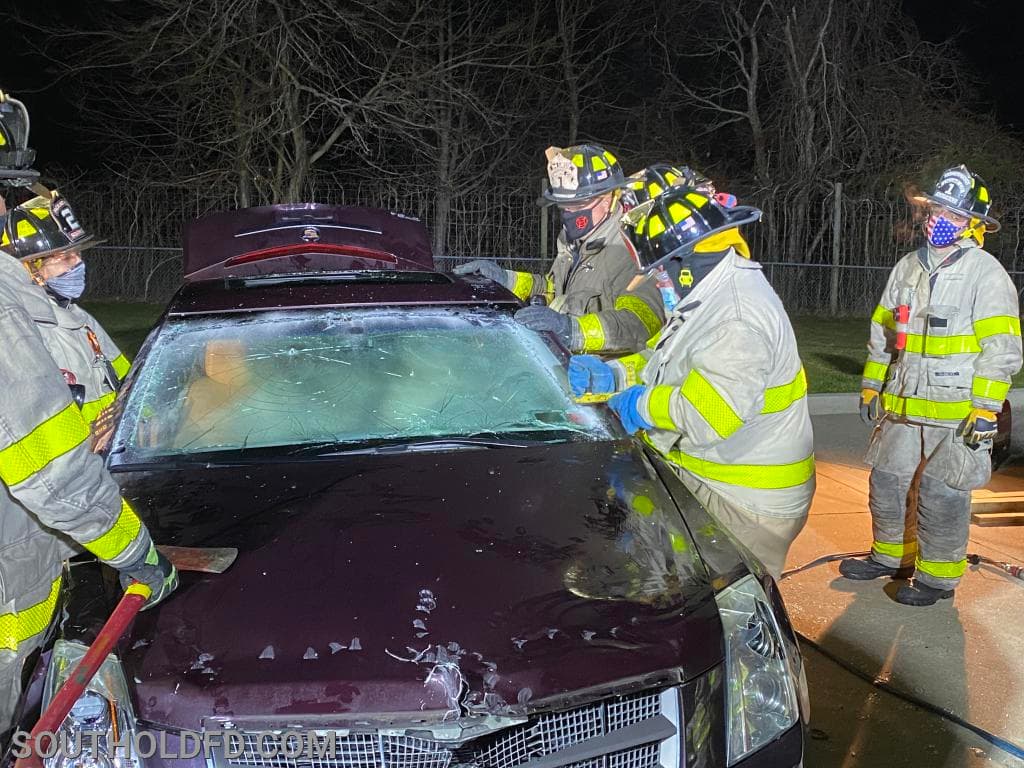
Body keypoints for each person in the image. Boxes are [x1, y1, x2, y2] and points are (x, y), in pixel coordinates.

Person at [0, 125, 175, 743]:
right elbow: (48, 464)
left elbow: (133, 392)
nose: (78, 264)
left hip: (51, 559)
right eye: (64, 255)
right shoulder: (10, 318)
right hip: (22, 573)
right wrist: (137, 555)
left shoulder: (66, 314)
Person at [567, 188, 815, 579]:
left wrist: (640, 406)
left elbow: (708, 413)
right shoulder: (710, 294)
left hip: (747, 501)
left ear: (687, 261)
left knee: (722, 603)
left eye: (661, 269)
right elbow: (675, 363)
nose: (656, 280)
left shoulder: (737, 317)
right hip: (721, 477)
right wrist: (611, 375)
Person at [840, 165, 1022, 606]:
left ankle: (938, 580)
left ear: (974, 225)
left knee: (943, 494)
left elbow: (1002, 348)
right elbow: (883, 332)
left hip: (958, 411)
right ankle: (889, 557)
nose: (940, 219)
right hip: (902, 403)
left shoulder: (986, 274)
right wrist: (871, 385)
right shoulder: (907, 268)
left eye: (954, 214)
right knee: (886, 482)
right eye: (937, 208)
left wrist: (985, 408)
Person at [454, 145, 664, 354]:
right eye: (563, 206)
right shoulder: (574, 242)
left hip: (607, 377)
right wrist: (504, 279)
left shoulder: (633, 251)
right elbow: (553, 287)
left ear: (610, 198)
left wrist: (572, 331)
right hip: (565, 366)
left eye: (577, 204)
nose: (568, 213)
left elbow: (639, 322)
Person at [1, 192, 130, 448]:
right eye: (66, 257)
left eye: (78, 254)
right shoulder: (20, 335)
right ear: (29, 269)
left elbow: (129, 382)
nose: (78, 262)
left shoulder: (79, 317)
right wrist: (90, 440)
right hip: (80, 473)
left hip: (116, 457)